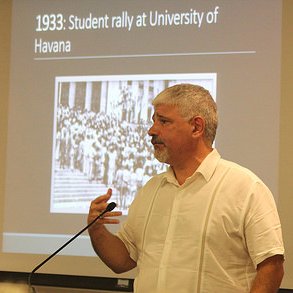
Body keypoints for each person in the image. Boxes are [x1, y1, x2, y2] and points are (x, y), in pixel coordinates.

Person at [87, 84, 285, 293]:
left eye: (163, 121)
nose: (151, 131)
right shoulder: (151, 190)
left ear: (196, 127)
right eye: (154, 121)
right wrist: (96, 229)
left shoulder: (246, 188)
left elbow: (271, 267)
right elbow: (123, 260)